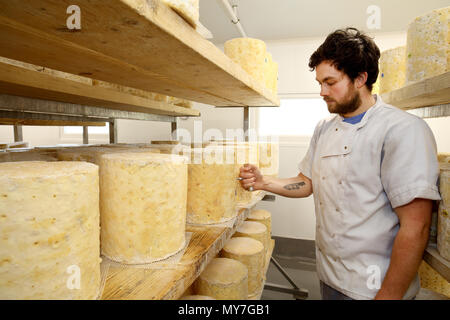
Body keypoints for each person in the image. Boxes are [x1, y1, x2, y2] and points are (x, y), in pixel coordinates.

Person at [239, 28, 441, 300]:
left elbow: (416, 228)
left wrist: (388, 297)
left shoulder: (403, 130)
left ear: (360, 78)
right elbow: (307, 182)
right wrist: (265, 183)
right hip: (328, 276)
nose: (322, 91)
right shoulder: (324, 128)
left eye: (330, 82)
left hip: (373, 288)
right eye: (319, 82)